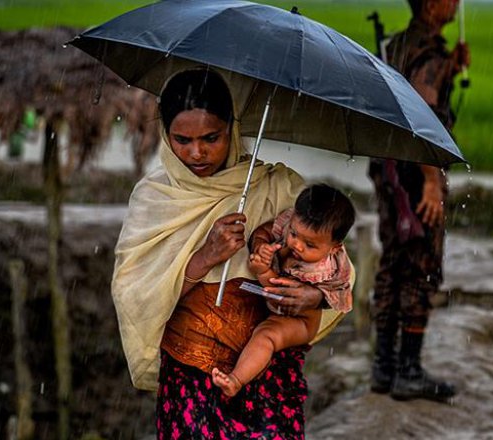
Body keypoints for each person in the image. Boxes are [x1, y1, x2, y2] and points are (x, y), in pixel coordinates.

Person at [112, 69, 331, 439]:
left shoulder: (278, 189)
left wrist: (314, 294)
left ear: (232, 129)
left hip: (266, 375)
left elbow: (334, 263)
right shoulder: (155, 199)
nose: (197, 152)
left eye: (211, 138)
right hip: (190, 374)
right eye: (182, 140)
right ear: (165, 136)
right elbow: (134, 296)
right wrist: (204, 258)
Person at [368, 0, 469, 402]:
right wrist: (431, 180)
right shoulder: (426, 52)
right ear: (432, 3)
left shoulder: (403, 44)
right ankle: (407, 369)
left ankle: (384, 367)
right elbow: (422, 116)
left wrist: (452, 68)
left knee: (393, 261)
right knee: (420, 265)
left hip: (392, 169)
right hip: (415, 172)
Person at [213, 183, 355, 396]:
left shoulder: (324, 269)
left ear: (334, 247)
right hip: (273, 301)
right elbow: (266, 230)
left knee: (266, 335)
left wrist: (262, 269)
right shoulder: (290, 223)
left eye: (310, 245)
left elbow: (276, 290)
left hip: (299, 320)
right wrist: (261, 244)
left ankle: (236, 380)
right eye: (294, 234)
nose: (297, 245)